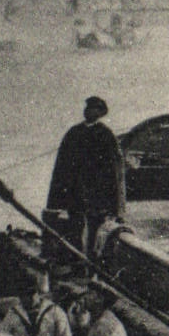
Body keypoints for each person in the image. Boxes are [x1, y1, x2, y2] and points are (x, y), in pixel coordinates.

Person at [46, 97, 126, 258]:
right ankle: (76, 260)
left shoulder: (106, 135)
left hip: (97, 193)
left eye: (93, 109)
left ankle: (91, 261)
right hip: (75, 191)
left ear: (100, 113)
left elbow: (115, 171)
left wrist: (116, 205)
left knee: (95, 229)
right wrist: (57, 198)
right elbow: (61, 166)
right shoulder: (74, 133)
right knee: (75, 227)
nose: (88, 111)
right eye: (87, 108)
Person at [13, 264, 75, 336]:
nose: (30, 297)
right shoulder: (14, 312)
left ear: (39, 292)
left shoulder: (55, 312)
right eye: (24, 294)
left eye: (33, 293)